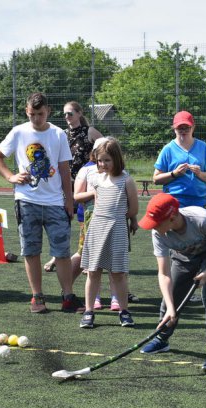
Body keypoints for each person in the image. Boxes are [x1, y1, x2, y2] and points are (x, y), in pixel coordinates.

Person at [0, 92, 82, 313]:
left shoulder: (58, 134)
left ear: (48, 111)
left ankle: (68, 297)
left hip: (54, 202)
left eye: (40, 114)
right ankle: (37, 298)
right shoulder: (18, 132)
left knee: (61, 252)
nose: (36, 119)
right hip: (26, 201)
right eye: (32, 114)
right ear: (26, 111)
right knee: (31, 251)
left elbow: (63, 169)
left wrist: (69, 201)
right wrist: (11, 177)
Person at [138, 193, 206, 372]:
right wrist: (172, 309)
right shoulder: (158, 233)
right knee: (172, 295)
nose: (153, 228)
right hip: (185, 254)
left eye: (157, 223)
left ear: (172, 218)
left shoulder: (201, 220)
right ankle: (162, 339)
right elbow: (164, 274)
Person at [79, 137, 139, 328]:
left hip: (117, 229)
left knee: (118, 273)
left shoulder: (126, 180)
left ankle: (124, 311)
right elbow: (96, 203)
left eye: (107, 160)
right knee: (93, 272)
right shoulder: (94, 179)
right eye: (100, 160)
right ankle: (89, 311)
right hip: (96, 228)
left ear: (116, 159)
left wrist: (122, 220)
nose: (103, 164)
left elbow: (133, 209)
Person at [43, 101, 102, 273]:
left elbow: (107, 149)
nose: (66, 117)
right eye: (64, 114)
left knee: (88, 223)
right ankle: (58, 256)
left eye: (70, 113)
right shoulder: (62, 134)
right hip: (66, 185)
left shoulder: (89, 131)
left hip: (86, 185)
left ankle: (88, 258)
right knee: (61, 223)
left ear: (79, 113)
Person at [153, 111, 206, 209]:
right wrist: (174, 173)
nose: (183, 131)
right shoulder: (168, 149)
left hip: (200, 201)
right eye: (180, 128)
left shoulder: (203, 147)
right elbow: (156, 179)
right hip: (174, 201)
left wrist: (200, 174)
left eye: (187, 127)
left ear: (193, 127)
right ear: (174, 129)